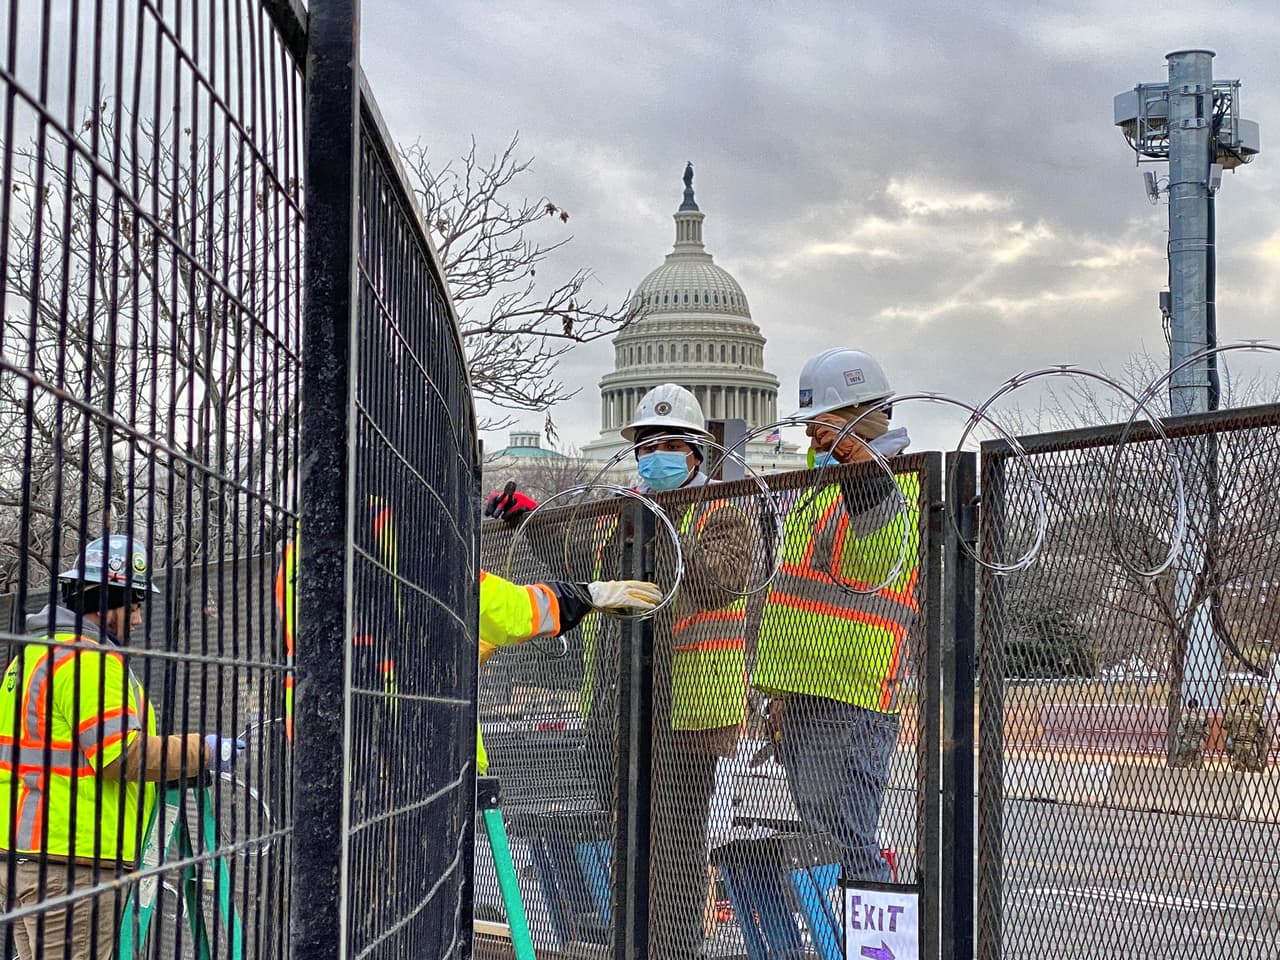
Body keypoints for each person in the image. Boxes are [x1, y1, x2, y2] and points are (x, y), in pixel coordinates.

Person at [488, 383, 753, 959]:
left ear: (695, 453)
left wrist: (657, 531)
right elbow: (582, 570)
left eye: (669, 445)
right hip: (617, 703)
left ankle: (675, 949)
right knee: (626, 835)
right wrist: (535, 522)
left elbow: (715, 582)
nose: (655, 457)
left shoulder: (722, 512)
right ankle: (629, 944)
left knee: (676, 846)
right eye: (646, 446)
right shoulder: (626, 514)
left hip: (688, 713)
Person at [0, 536, 244, 960]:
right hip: (72, 864)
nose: (137, 619)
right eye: (131, 606)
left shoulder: (32, 656)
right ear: (102, 601)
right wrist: (202, 750)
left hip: (23, 856)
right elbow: (121, 755)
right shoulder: (86, 659)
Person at [753, 348, 918, 884]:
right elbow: (792, 598)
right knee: (823, 843)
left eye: (823, 427)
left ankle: (871, 925)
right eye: (811, 429)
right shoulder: (818, 494)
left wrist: (864, 476)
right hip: (806, 691)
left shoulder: (898, 487)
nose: (813, 441)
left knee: (846, 843)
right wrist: (778, 691)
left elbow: (874, 562)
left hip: (852, 694)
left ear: (858, 419)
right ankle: (841, 925)